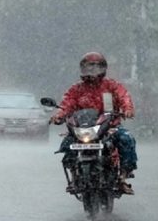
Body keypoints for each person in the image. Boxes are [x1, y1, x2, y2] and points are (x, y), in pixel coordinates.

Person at [50, 52, 138, 195]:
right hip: (83, 129)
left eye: (96, 68)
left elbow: (124, 96)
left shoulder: (111, 86)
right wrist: (59, 116)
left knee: (126, 139)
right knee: (67, 145)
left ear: (103, 68)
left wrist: (128, 109)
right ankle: (74, 176)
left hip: (109, 127)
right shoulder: (77, 89)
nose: (92, 72)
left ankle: (122, 177)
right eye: (89, 68)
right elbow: (67, 104)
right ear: (82, 69)